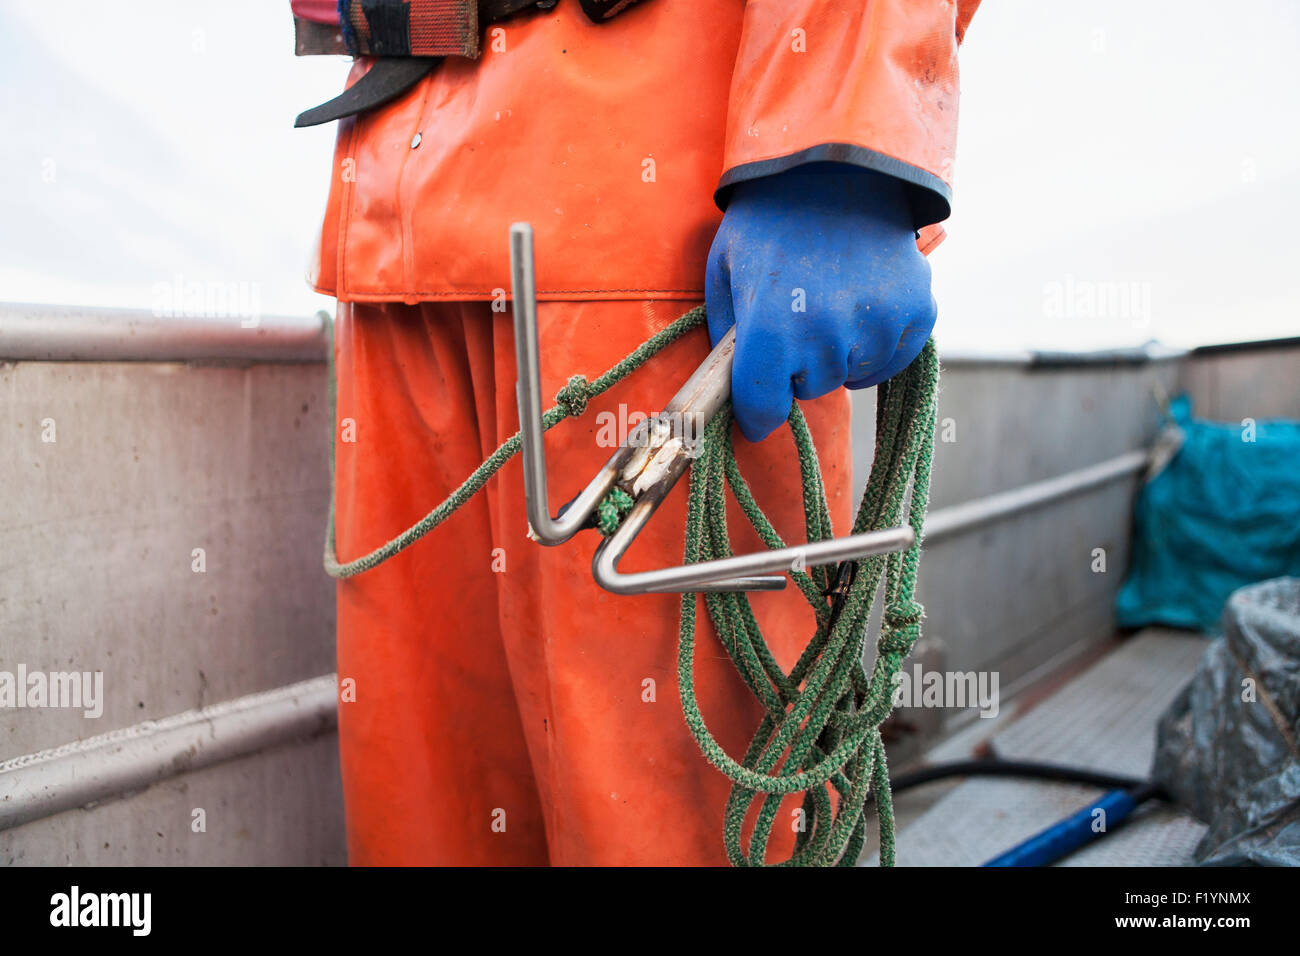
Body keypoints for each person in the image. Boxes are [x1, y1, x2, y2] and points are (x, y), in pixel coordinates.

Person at [293, 0, 978, 865]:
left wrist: (839, 159)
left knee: (662, 828)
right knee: (426, 817)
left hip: (651, 243)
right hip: (398, 235)